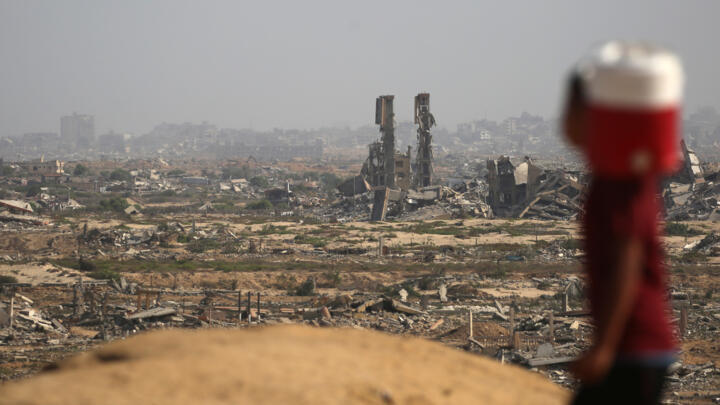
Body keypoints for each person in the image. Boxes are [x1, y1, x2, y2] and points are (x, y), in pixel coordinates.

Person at [563, 42, 683, 405]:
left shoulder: (621, 184)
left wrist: (604, 348)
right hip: (636, 350)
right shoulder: (616, 178)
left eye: (571, 110)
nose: (564, 121)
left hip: (636, 349)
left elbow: (626, 267)